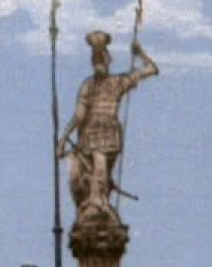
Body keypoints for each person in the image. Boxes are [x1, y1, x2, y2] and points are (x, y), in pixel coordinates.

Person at [57, 30, 158, 222]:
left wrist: (62, 140)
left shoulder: (98, 84)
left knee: (100, 171)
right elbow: (152, 68)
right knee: (100, 171)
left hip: (97, 134)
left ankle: (98, 201)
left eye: (98, 60)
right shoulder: (115, 82)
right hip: (106, 133)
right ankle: (98, 200)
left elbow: (79, 116)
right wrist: (140, 53)